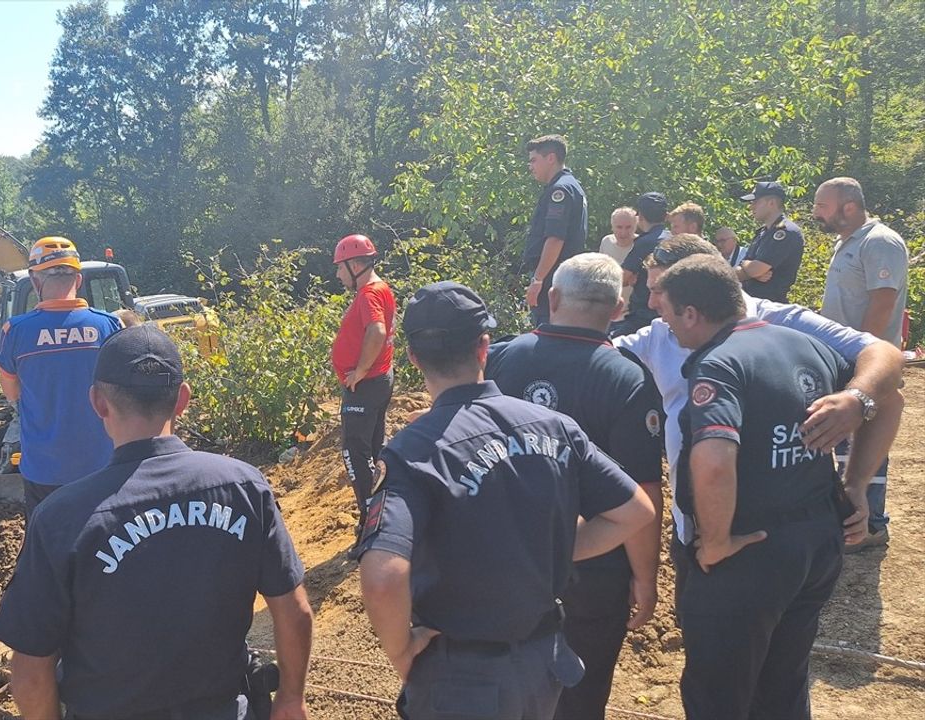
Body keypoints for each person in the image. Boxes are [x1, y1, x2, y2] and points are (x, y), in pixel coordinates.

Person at [357, 281, 654, 720]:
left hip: (461, 676)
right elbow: (636, 512)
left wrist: (402, 652)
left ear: (414, 356)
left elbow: (383, 578)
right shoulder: (556, 427)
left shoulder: (413, 451)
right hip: (543, 662)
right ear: (483, 347)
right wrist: (552, 549)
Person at [0, 325, 314, 720]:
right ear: (182, 399)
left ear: (97, 402)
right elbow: (294, 610)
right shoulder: (244, 487)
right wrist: (291, 698)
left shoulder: (62, 518)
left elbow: (31, 670)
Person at [652, 256, 900, 720]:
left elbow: (713, 460)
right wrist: (857, 484)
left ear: (691, 313)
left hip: (749, 552)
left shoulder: (717, 365)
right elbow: (888, 396)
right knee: (783, 684)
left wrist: (718, 539)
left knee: (718, 694)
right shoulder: (805, 346)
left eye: (667, 316)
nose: (668, 329)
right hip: (814, 546)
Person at [614, 234, 905, 599]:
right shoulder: (660, 335)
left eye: (660, 289)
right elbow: (599, 358)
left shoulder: (782, 322)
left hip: (785, 528)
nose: (652, 301)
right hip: (699, 527)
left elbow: (883, 357)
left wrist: (856, 399)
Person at [486, 254, 664, 720]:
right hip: (591, 567)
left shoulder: (502, 358)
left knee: (499, 685)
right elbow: (643, 490)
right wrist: (645, 577)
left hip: (501, 559)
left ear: (553, 298)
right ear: (620, 307)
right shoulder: (628, 377)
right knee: (580, 693)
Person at [813, 176, 909, 551]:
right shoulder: (847, 242)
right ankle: (849, 520)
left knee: (869, 437)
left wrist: (862, 354)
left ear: (848, 206)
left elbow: (883, 300)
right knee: (845, 438)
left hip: (867, 361)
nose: (816, 212)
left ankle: (872, 524)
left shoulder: (879, 241)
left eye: (822, 205)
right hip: (847, 358)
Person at [0, 236, 122, 517]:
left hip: (44, 471)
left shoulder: (14, 331)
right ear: (77, 279)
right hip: (102, 466)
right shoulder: (109, 325)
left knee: (48, 553)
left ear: (35, 280)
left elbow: (12, 393)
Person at [330, 233, 396, 539]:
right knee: (373, 449)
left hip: (366, 386)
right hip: (378, 382)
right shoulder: (381, 289)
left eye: (341, 267)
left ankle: (371, 519)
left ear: (355, 264)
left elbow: (377, 330)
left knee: (355, 454)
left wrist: (360, 370)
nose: (338, 273)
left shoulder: (369, 293)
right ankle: (381, 511)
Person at [522, 135, 588, 326]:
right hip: (562, 277)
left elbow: (555, 238)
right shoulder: (572, 185)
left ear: (550, 158)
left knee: (548, 334)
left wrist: (538, 280)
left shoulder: (560, 190)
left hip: (553, 279)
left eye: (534, 160)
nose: (530, 166)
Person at [611, 192, 669, 336]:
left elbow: (622, 278)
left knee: (610, 344)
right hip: (668, 314)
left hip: (643, 316)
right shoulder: (673, 238)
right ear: (666, 215)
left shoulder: (645, 242)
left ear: (640, 217)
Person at [735, 181, 804, 302]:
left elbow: (755, 269)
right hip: (752, 303)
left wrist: (748, 267)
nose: (751, 207)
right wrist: (749, 268)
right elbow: (742, 269)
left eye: (755, 202)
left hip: (771, 307)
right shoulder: (762, 232)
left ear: (771, 203)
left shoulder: (786, 232)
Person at [598, 207, 638, 303]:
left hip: (634, 308)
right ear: (612, 226)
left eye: (628, 227)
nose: (623, 233)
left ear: (636, 226)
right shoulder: (606, 242)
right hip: (609, 305)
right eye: (619, 227)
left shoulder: (642, 245)